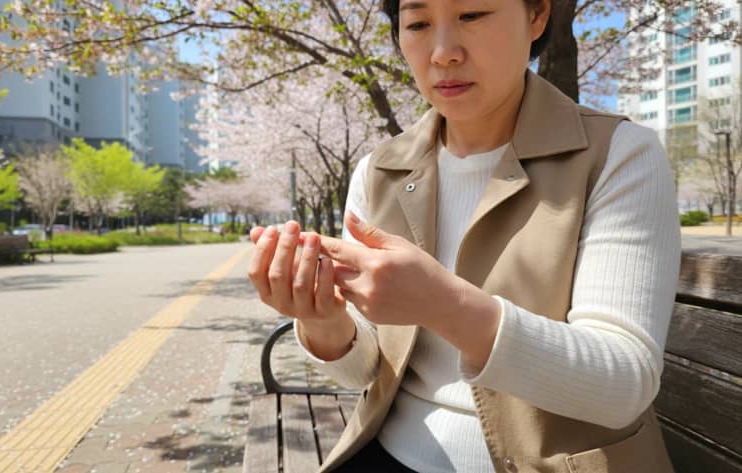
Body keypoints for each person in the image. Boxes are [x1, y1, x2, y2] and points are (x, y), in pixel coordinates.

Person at [247, 0, 681, 471]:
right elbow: (366, 371)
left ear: (537, 17)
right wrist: (323, 320)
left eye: (472, 15)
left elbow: (623, 387)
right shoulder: (379, 171)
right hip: (386, 450)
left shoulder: (618, 156)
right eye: (417, 23)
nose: (442, 52)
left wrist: (443, 304)